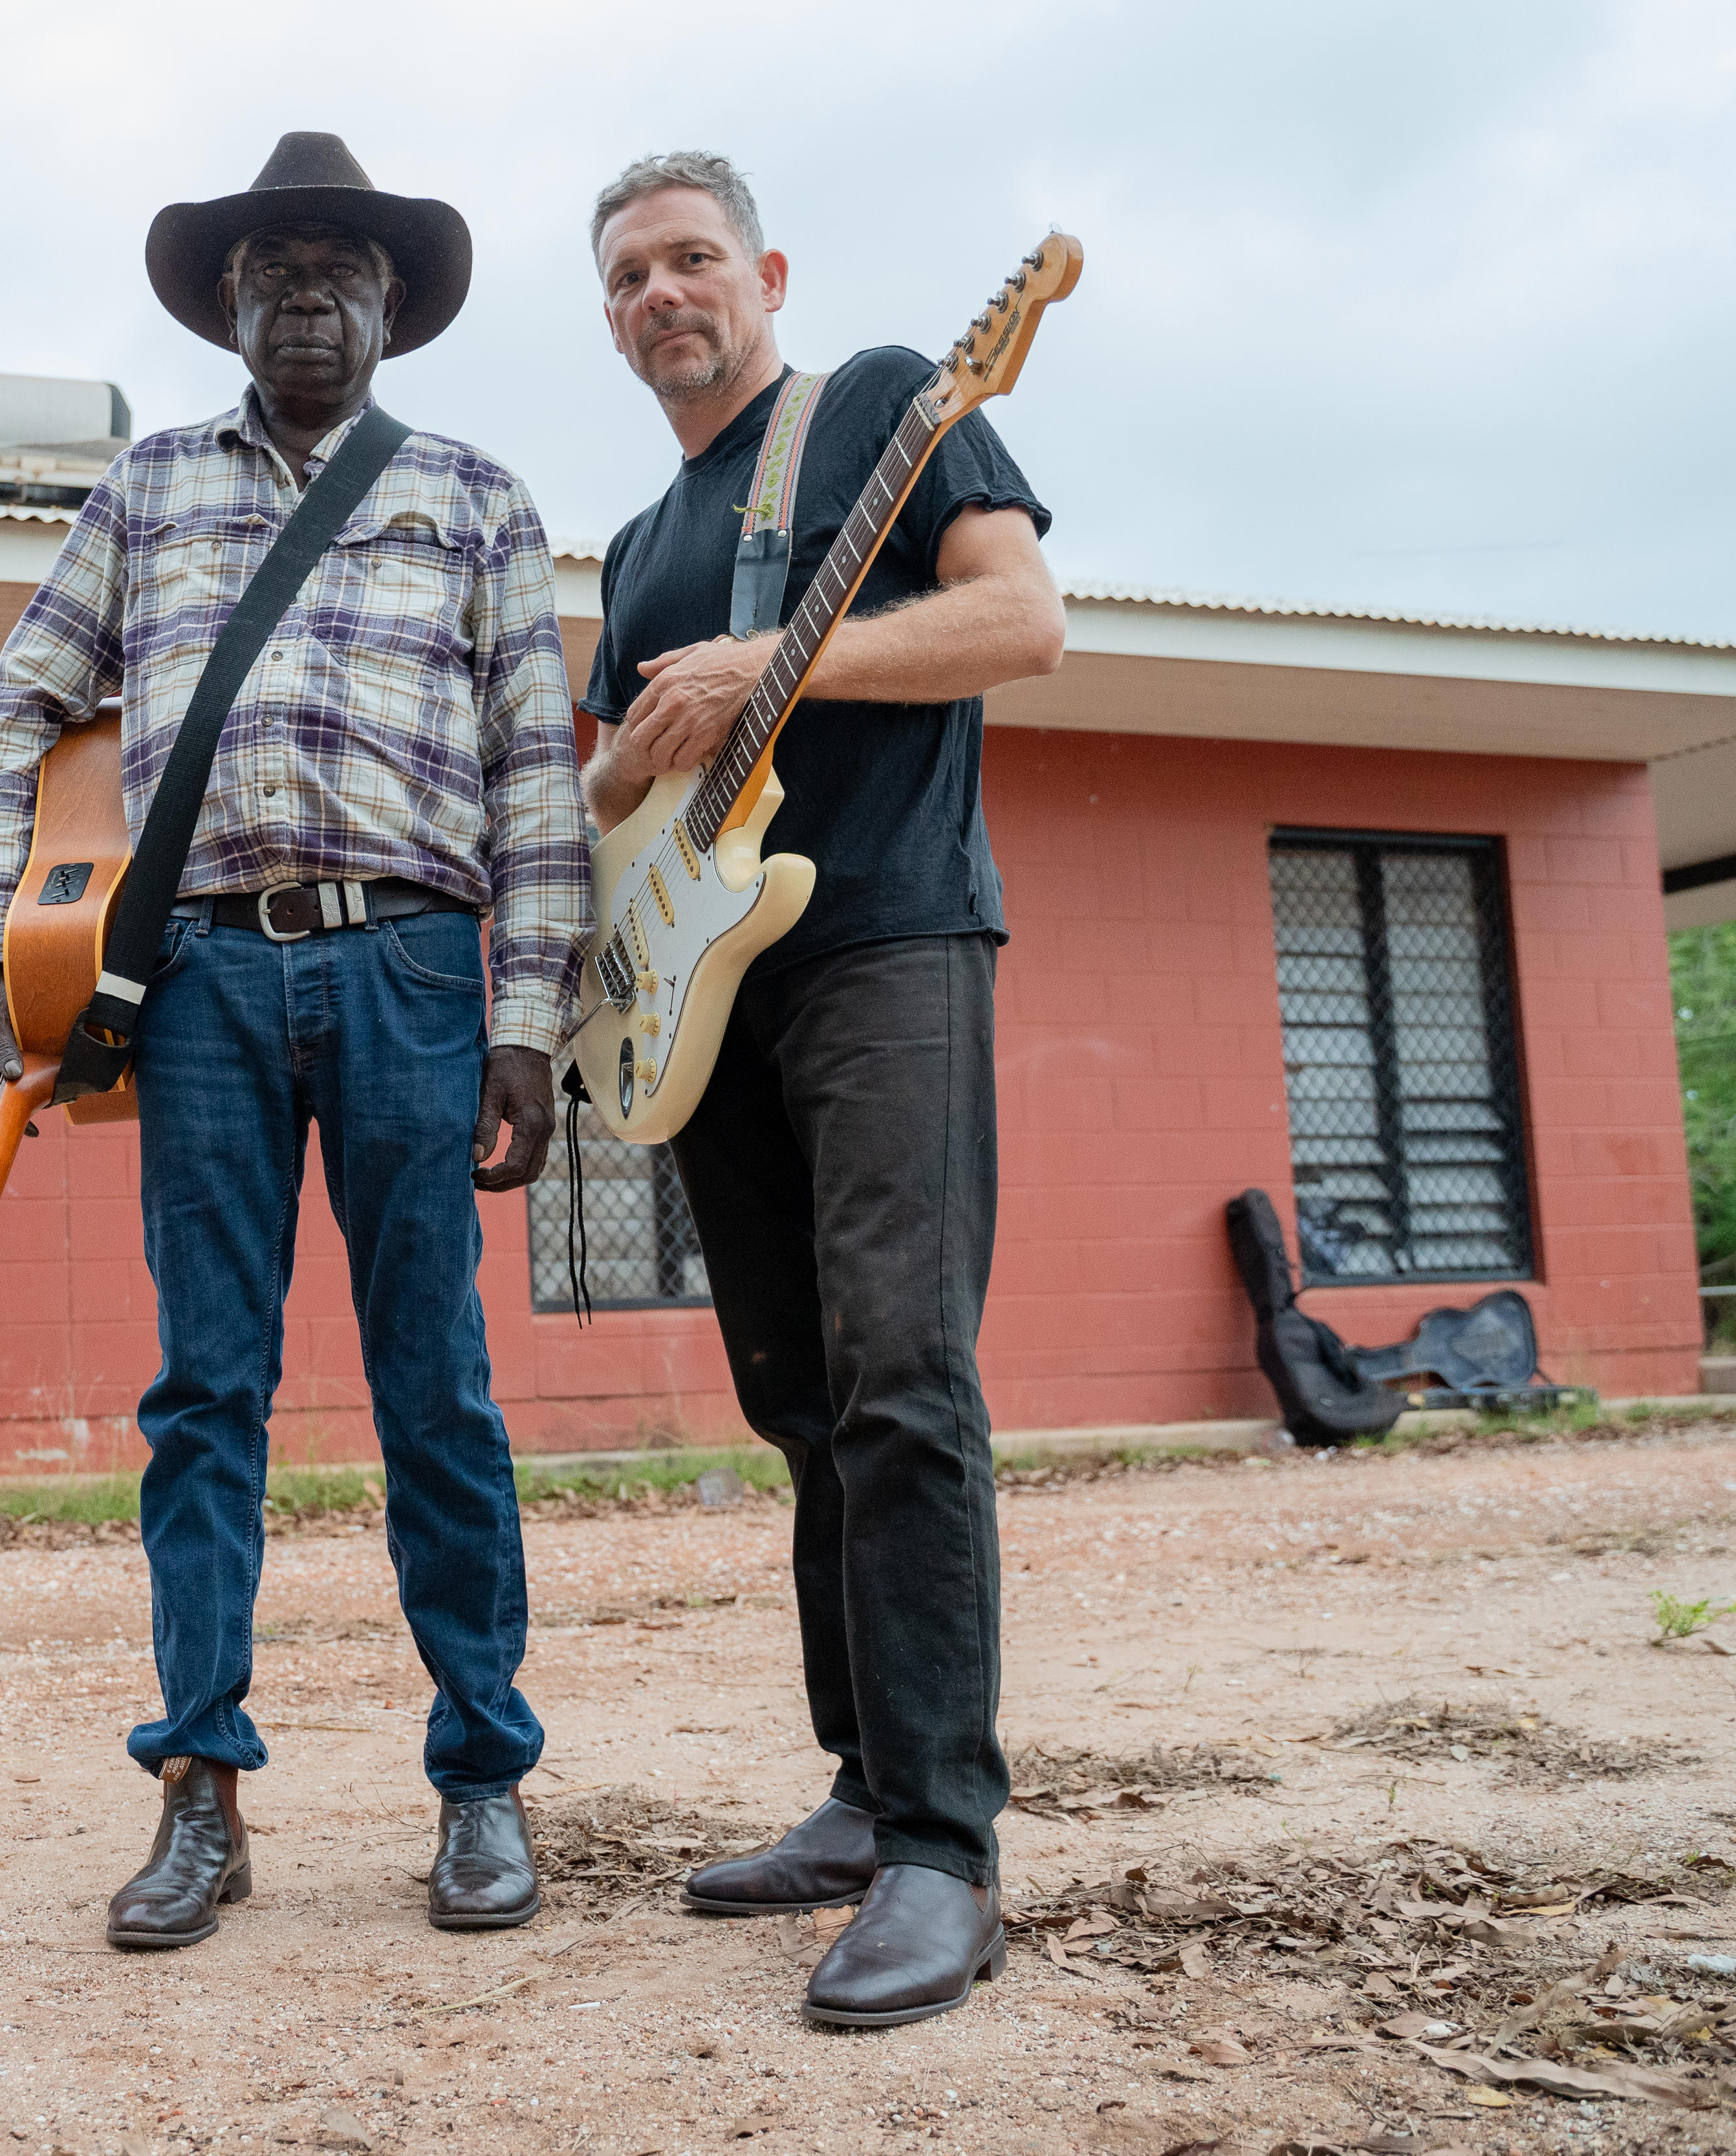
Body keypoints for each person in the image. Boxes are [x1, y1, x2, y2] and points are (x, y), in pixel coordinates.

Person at [0, 133, 592, 1950]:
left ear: (392, 306)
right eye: (275, 273)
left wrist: (527, 1021)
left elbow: (537, 776)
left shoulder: (476, 496)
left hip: (411, 972)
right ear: (231, 306)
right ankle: (198, 1795)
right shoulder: (146, 489)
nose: (308, 298)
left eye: (342, 272)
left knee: (435, 1386)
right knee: (204, 1393)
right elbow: (15, 712)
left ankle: (482, 1782)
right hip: (204, 984)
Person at [574, 151, 1065, 2027]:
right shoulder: (637, 545)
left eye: (691, 258)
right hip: (710, 995)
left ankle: (946, 1849)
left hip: (883, 945)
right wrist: (630, 762)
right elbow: (611, 793)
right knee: (797, 1398)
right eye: (628, 275)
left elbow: (1019, 623)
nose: (661, 293)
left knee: (903, 1376)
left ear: (764, 273)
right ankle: (863, 1792)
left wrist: (775, 666)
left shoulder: (877, 408)